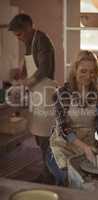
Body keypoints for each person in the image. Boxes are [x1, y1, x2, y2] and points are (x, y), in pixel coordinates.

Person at [47, 50, 98, 186]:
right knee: (70, 180)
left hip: (88, 146)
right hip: (62, 147)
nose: (88, 76)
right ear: (75, 70)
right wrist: (85, 148)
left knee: (91, 183)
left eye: (92, 71)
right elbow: (64, 129)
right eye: (83, 71)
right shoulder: (62, 94)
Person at [8, 13, 56, 183]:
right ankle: (46, 172)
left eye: (19, 34)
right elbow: (29, 64)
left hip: (46, 93)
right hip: (36, 94)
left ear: (28, 27)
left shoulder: (42, 40)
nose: (18, 38)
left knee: (45, 138)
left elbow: (44, 68)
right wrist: (21, 72)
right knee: (38, 136)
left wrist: (26, 82)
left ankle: (51, 175)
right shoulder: (30, 42)